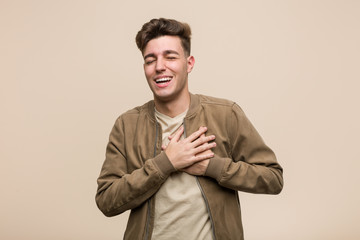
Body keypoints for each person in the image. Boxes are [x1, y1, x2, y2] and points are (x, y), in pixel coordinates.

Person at [96, 18, 283, 240]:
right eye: (150, 60)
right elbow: (107, 201)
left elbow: (273, 178)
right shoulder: (127, 125)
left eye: (170, 57)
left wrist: (211, 167)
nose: (159, 66)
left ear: (189, 63)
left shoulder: (226, 114)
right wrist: (165, 164)